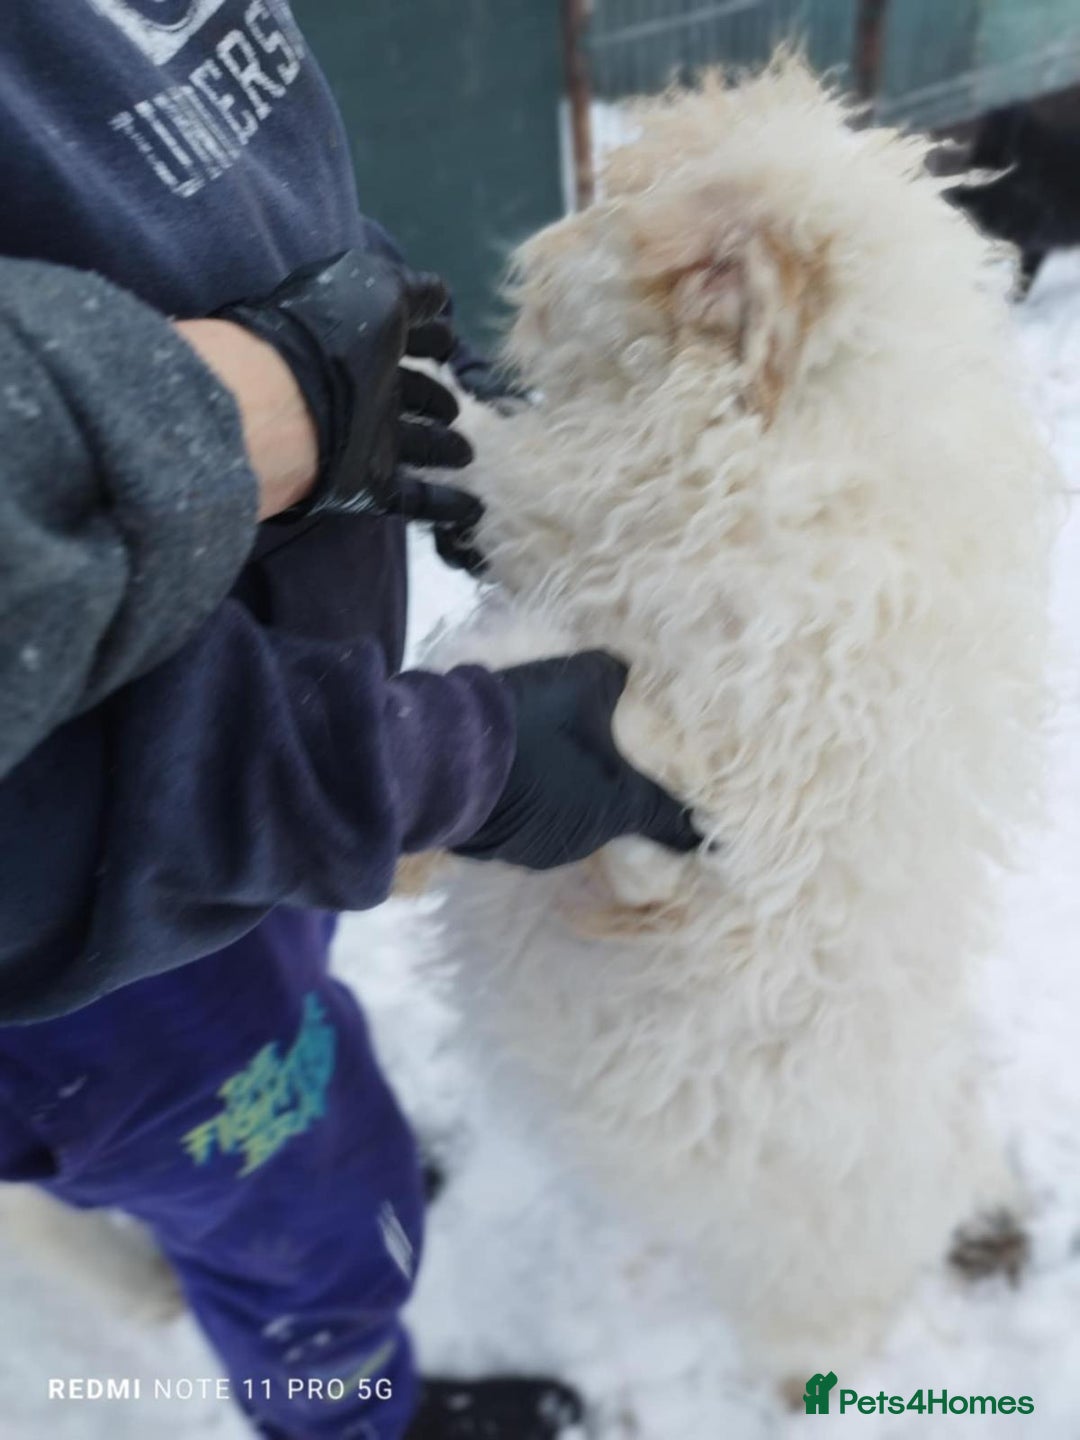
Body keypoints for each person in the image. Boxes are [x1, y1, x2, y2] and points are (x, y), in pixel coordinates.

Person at [0, 6, 699, 1438]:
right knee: (312, 1205)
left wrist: (391, 366)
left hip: (241, 821)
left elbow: (196, 179)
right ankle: (343, 1409)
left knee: (285, 1022)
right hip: (95, 958)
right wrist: (452, 763)